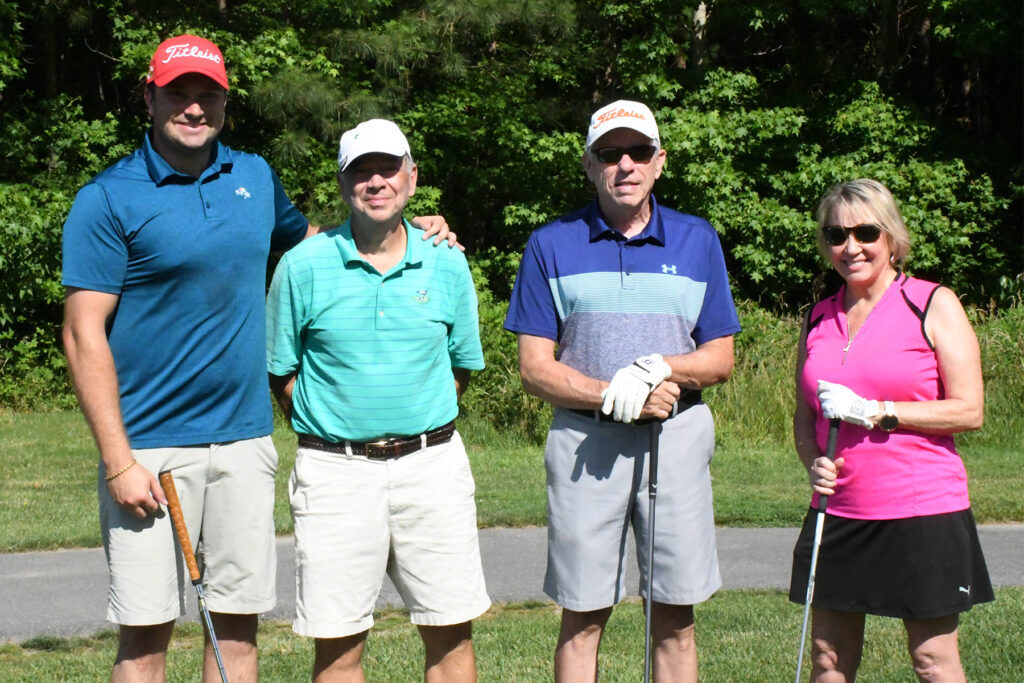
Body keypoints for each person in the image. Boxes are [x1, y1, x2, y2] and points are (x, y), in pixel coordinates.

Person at [61, 34, 454, 682]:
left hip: (244, 441)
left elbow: (321, 248)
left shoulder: (253, 177)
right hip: (149, 449)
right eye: (179, 93)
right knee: (146, 635)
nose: (194, 108)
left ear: (224, 102)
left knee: (237, 629)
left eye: (207, 95)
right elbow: (82, 334)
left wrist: (408, 228)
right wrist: (117, 459)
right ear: (149, 98)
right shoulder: (108, 198)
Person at [504, 100, 741, 682]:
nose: (625, 165)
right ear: (590, 165)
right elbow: (535, 368)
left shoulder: (696, 238)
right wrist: (615, 392)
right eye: (611, 154)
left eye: (638, 152)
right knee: (583, 614)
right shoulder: (551, 242)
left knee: (674, 616)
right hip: (588, 440)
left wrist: (660, 371)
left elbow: (720, 357)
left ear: (659, 162)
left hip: (676, 437)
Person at [266, 118, 490, 682]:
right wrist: (339, 427)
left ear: (411, 179)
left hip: (431, 464)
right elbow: (282, 372)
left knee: (450, 633)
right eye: (360, 172)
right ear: (343, 186)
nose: (375, 182)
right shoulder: (301, 265)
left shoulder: (447, 260)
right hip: (334, 472)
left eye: (387, 169)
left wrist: (409, 421)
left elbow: (461, 366)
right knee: (338, 645)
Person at [789, 178, 994, 682]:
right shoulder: (817, 316)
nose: (851, 247)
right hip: (838, 513)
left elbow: (969, 410)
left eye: (865, 232)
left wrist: (878, 410)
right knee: (828, 661)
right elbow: (804, 412)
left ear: (892, 239)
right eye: (837, 235)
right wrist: (811, 460)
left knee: (932, 661)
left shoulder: (932, 303)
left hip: (921, 509)